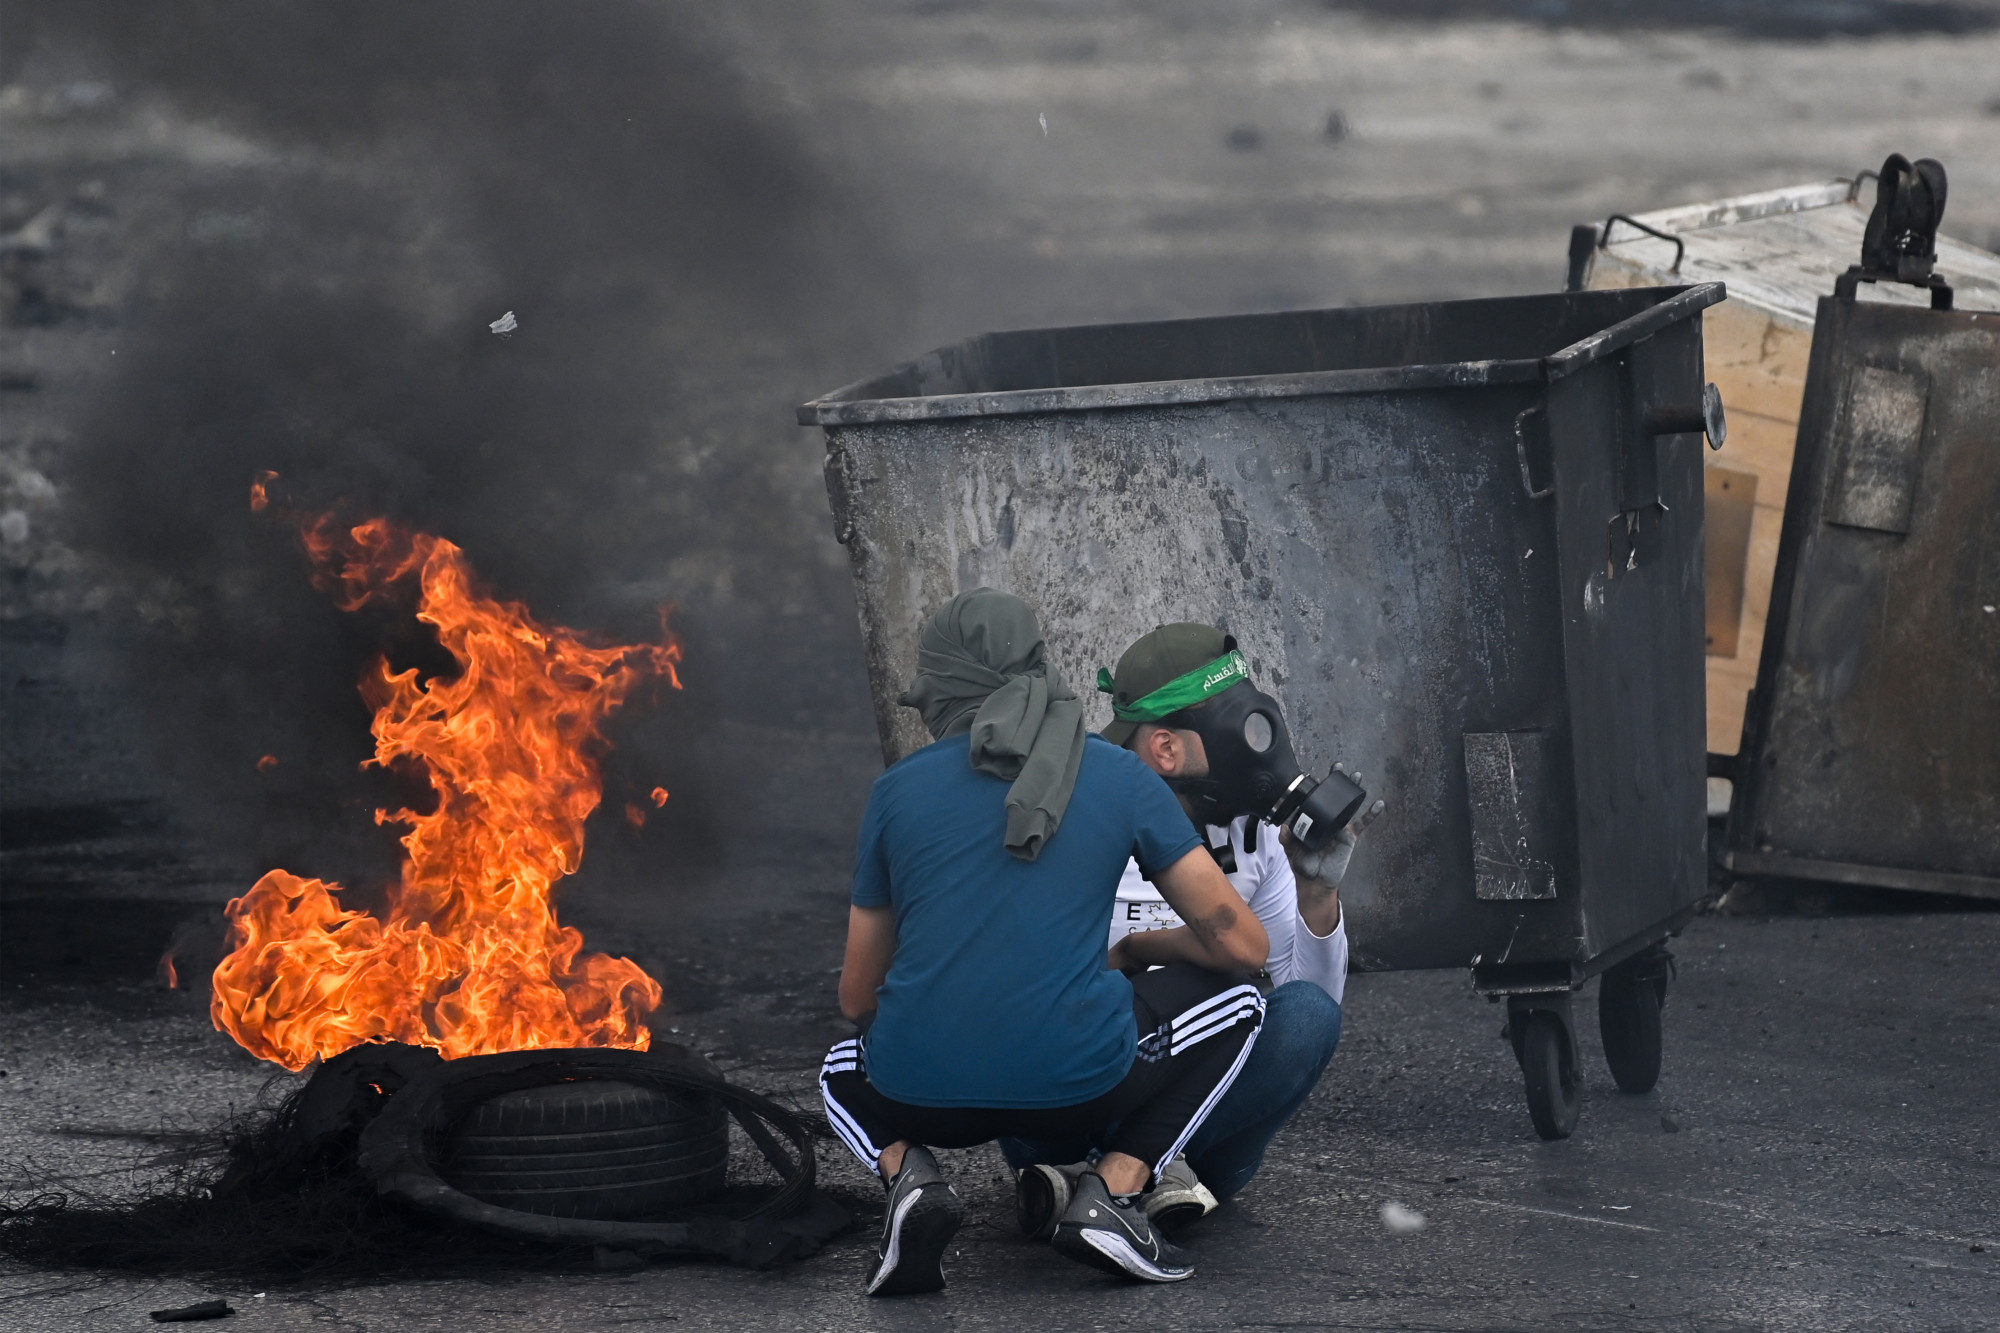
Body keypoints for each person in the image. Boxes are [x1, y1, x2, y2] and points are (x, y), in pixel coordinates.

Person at [820, 589, 1271, 1296]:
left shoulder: (894, 792)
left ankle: (910, 1178)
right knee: (1244, 1001)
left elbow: (856, 994)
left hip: (922, 1094)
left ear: (944, 686)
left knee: (840, 1062)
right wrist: (1146, 950)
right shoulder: (1122, 776)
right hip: (1079, 1087)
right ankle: (1113, 1192)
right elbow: (1244, 947)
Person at [1006, 623, 1384, 1236]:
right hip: (1078, 1096)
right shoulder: (1074, 817)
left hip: (1202, 1113)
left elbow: (1301, 1004)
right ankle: (1133, 1177)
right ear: (1165, 749)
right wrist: (1146, 953)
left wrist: (1317, 889)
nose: (1259, 755)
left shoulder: (1254, 835)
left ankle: (1101, 1178)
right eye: (1239, 734)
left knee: (1309, 1014)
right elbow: (1034, 995)